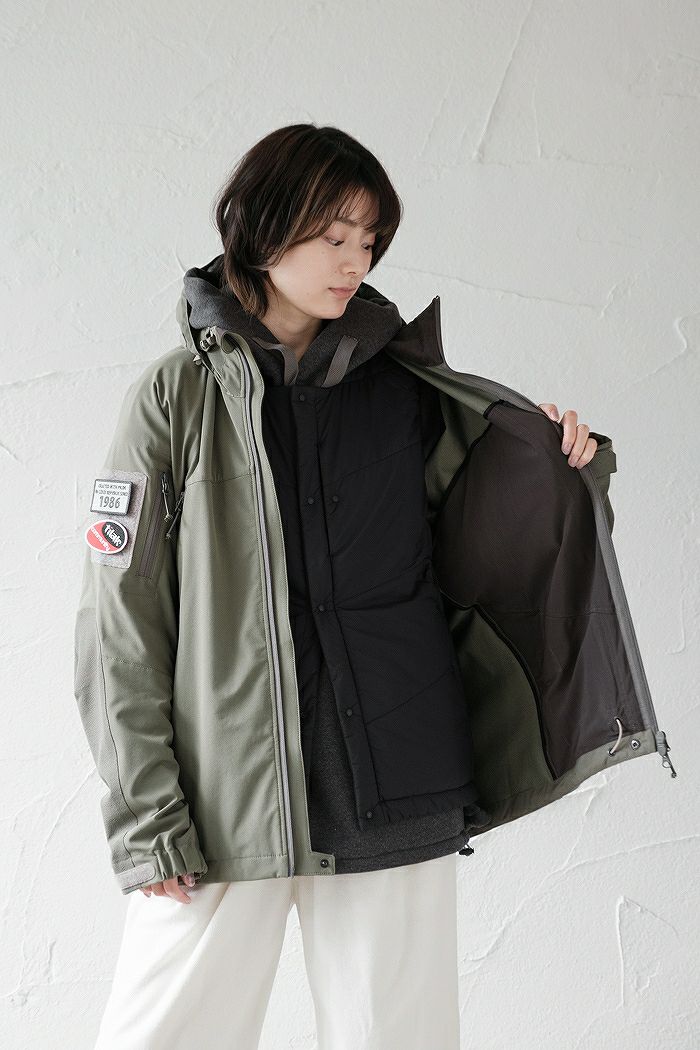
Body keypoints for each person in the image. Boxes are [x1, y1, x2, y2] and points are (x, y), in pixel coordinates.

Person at [74, 124, 628, 1050]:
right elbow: (119, 622)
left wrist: (558, 462)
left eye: (368, 240)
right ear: (261, 228)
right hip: (225, 799)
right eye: (333, 235)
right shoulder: (175, 398)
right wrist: (147, 817)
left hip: (396, 778)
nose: (354, 261)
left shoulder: (405, 391)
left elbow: (487, 552)